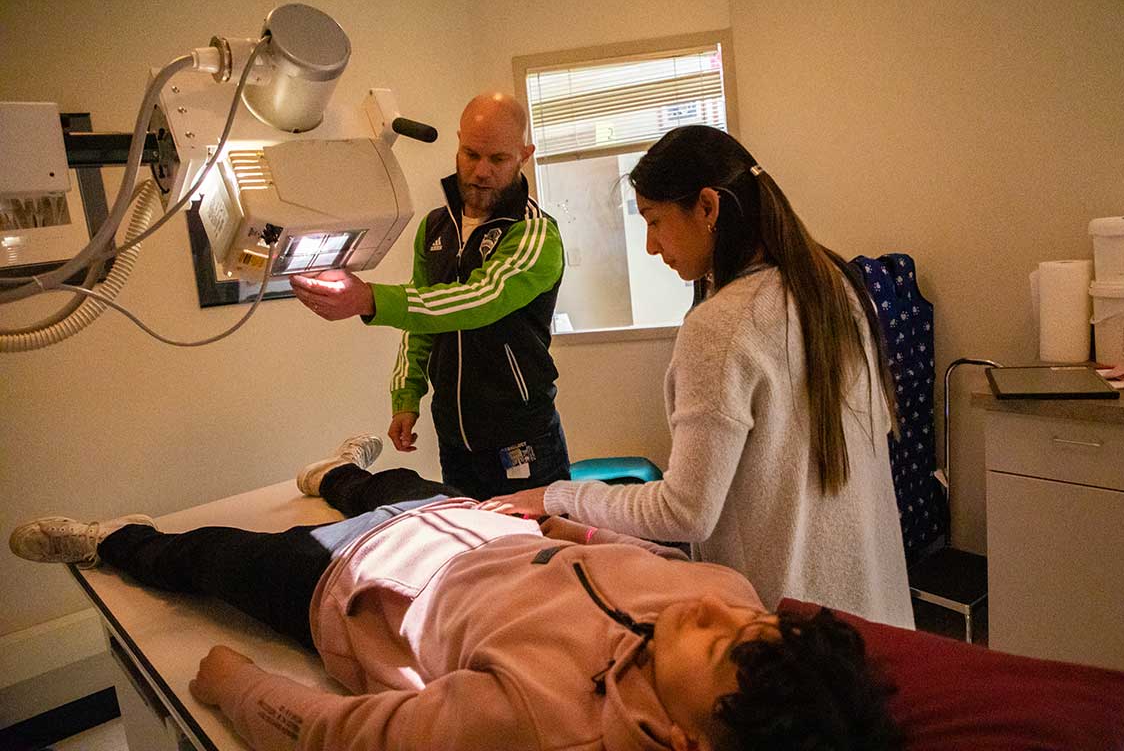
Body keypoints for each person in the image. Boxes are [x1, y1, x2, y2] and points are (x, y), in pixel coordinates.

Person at [10, 436, 903, 751]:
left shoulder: (538, 720)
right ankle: (340, 473)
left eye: (713, 643)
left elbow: (342, 735)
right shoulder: (725, 587)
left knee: (207, 557)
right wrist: (562, 529)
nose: (708, 608)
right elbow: (640, 559)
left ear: (683, 739)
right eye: (743, 617)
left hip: (352, 582)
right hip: (485, 533)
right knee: (396, 484)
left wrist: (236, 686)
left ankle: (110, 541)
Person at [486, 125, 914, 628]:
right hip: (881, 624)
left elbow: (684, 511)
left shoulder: (723, 325)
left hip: (789, 638)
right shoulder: (835, 285)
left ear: (708, 208)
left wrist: (555, 496)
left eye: (655, 221)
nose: (650, 246)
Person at [289, 92, 569, 501]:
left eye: (498, 159)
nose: (481, 171)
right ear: (457, 143)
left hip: (521, 436)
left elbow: (478, 300)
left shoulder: (536, 234)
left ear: (524, 155)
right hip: (454, 438)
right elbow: (423, 316)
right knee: (468, 552)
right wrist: (406, 395)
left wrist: (370, 299)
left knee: (539, 552)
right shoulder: (434, 229)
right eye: (471, 154)